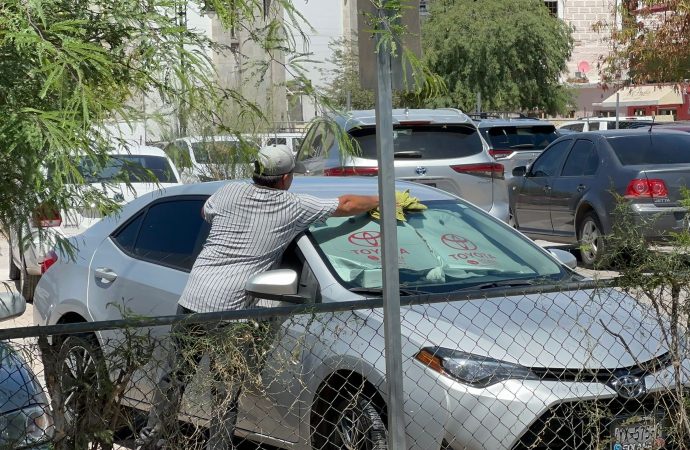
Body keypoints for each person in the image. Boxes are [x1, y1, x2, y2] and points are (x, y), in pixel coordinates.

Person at [136, 144, 379, 449]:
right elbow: (345, 205)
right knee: (225, 390)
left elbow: (205, 211)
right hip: (231, 310)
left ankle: (151, 438)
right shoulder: (292, 207)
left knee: (175, 376)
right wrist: (381, 200)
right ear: (285, 179)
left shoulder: (229, 192)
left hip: (194, 299)